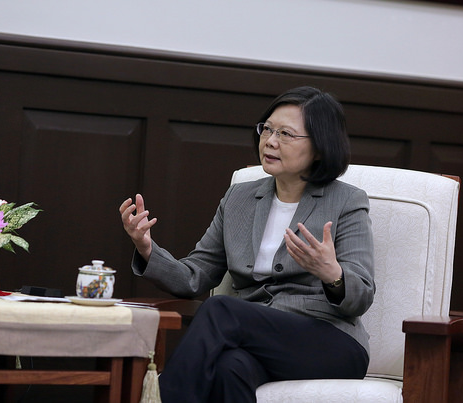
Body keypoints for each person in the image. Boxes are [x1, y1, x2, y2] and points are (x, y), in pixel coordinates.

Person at [119, 86, 375, 403]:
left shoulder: (347, 201)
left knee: (220, 308)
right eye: (267, 129)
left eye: (285, 134)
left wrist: (331, 273)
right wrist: (147, 249)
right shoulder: (239, 198)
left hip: (329, 342)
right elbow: (194, 276)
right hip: (256, 339)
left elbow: (361, 295)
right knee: (230, 367)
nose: (270, 141)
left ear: (320, 147)